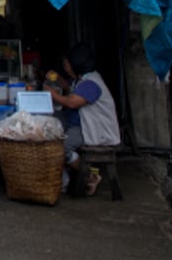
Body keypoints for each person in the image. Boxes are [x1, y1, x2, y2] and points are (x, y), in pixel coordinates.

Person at [46, 44, 120, 196]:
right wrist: (59, 79)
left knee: (61, 146)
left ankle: (89, 176)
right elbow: (70, 88)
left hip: (95, 129)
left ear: (76, 65)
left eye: (67, 65)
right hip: (82, 123)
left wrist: (52, 94)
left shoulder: (91, 84)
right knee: (53, 123)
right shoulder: (82, 78)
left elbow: (72, 102)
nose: (65, 67)